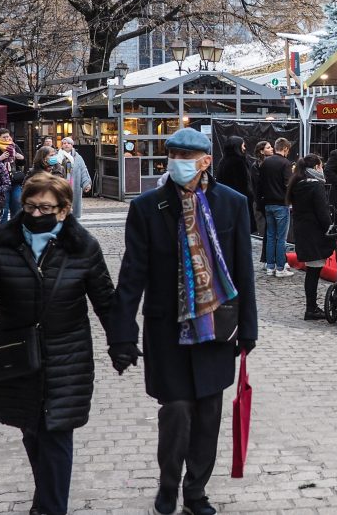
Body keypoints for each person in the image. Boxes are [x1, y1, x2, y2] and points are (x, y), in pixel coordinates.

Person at [108, 128, 257, 515]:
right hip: (166, 328)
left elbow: (243, 271)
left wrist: (250, 329)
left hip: (216, 327)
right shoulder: (147, 207)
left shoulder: (232, 204)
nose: (177, 161)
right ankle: (169, 482)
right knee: (176, 411)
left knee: (208, 414)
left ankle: (196, 492)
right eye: (173, 154)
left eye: (185, 155)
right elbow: (132, 274)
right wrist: (122, 333)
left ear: (206, 161)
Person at [0, 173, 115, 515]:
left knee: (56, 435)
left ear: (65, 209)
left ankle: (51, 508)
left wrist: (122, 342)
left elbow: (106, 301)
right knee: (32, 432)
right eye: (30, 207)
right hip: (17, 356)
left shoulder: (83, 246)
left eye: (45, 208)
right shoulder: (1, 244)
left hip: (67, 357)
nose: (36, 214)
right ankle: (45, 502)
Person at [288, 155, 335, 320]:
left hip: (303, 231)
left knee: (312, 271)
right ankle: (311, 308)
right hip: (315, 233)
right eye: (321, 166)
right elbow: (322, 212)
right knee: (313, 272)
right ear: (316, 167)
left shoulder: (298, 183)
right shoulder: (315, 186)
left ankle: (311, 307)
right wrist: (330, 230)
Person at [258, 137, 294, 278]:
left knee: (271, 236)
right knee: (281, 238)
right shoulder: (285, 163)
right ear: (285, 149)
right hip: (281, 204)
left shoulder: (266, 162)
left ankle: (270, 266)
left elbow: (260, 184)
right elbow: (288, 185)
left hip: (268, 204)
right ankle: (280, 268)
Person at [216, 136, 255, 223]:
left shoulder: (223, 161)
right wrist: (251, 196)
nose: (244, 148)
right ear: (237, 146)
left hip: (226, 202)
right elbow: (243, 184)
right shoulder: (239, 162)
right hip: (239, 202)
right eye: (243, 146)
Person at [0, 128, 25, 224]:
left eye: (8, 136)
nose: (7, 139)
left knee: (17, 203)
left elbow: (23, 162)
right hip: (1, 182)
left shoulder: (14, 146)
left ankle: (16, 227)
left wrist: (19, 157)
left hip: (15, 180)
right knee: (4, 208)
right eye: (4, 137)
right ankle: (3, 230)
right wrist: (1, 158)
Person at [58, 137, 92, 219]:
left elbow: (83, 170)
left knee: (72, 205)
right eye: (64, 143)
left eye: (68, 143)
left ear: (72, 145)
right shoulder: (57, 156)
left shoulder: (78, 157)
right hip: (61, 185)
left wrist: (86, 184)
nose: (66, 145)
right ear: (62, 145)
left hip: (73, 185)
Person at [251, 141, 272, 260]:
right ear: (261, 151)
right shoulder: (256, 166)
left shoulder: (268, 163)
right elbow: (258, 184)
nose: (272, 149)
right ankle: (266, 257)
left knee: (270, 231)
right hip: (263, 202)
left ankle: (266, 257)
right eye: (268, 147)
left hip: (266, 200)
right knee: (268, 231)